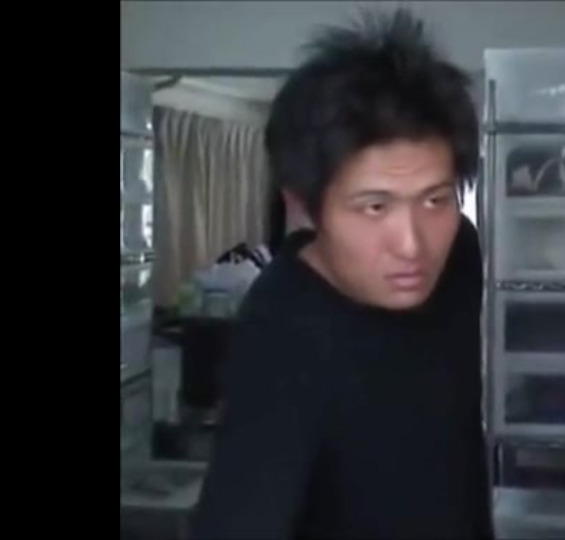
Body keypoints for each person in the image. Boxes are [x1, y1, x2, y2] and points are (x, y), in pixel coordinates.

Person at [190, 8, 493, 539]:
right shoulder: (284, 331)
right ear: (306, 206)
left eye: (434, 199)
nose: (412, 244)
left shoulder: (459, 255)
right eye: (375, 207)